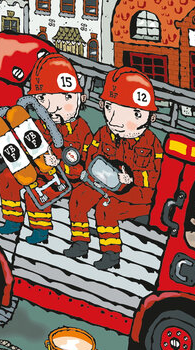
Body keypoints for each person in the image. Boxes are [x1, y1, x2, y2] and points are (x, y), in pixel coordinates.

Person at [65, 67, 163, 269]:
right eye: (110, 108)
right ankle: (80, 242)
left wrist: (133, 179)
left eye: (134, 114)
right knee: (78, 197)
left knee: (106, 209)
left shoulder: (152, 143)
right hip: (101, 184)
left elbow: (156, 176)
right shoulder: (103, 133)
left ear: (149, 117)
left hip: (136, 195)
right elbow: (91, 156)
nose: (117, 120)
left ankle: (111, 254)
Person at [0, 54, 92, 244]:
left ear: (81, 98)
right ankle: (13, 219)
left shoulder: (81, 130)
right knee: (7, 178)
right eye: (43, 98)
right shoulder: (37, 124)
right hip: (36, 169)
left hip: (64, 177)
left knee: (36, 193)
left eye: (67, 97)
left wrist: (59, 164)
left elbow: (82, 162)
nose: (55, 107)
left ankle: (41, 230)